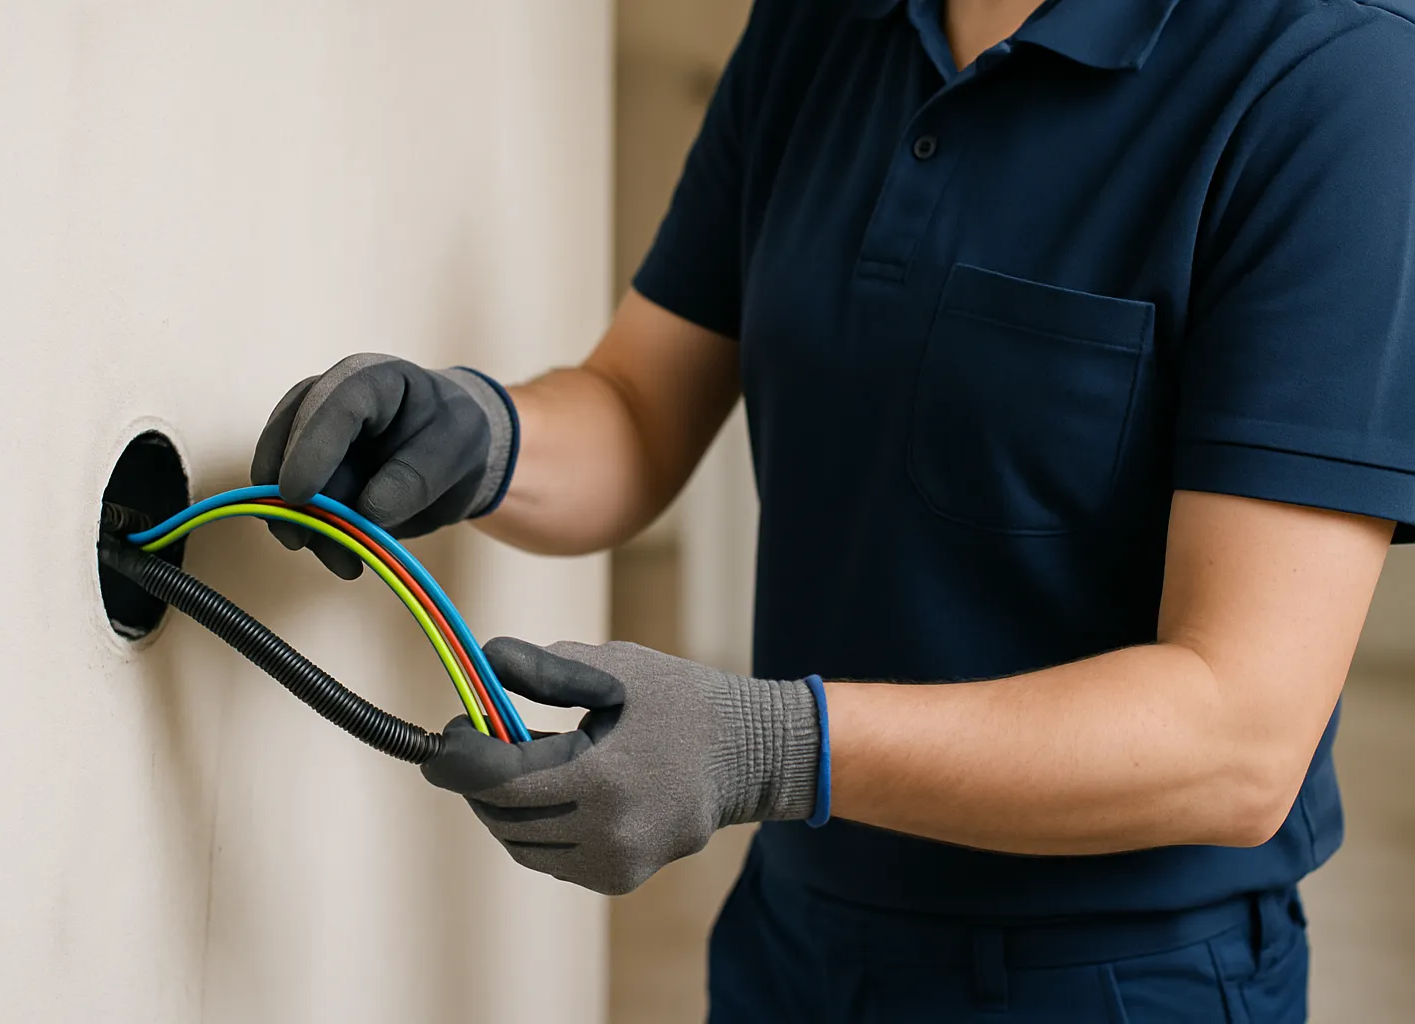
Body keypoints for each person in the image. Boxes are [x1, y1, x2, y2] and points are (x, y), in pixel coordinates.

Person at [251, 0, 1415, 1018]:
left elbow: (1239, 736)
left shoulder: (1331, 78)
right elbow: (638, 411)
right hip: (795, 939)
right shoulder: (821, 23)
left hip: (1116, 976)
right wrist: (477, 432)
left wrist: (768, 746)